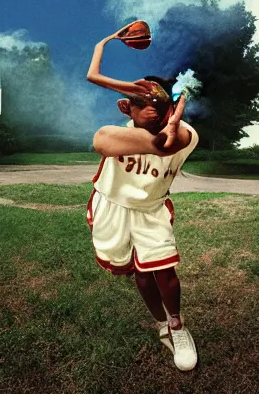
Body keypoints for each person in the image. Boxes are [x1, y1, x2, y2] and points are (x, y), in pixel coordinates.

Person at [86, 22, 199, 371]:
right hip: (113, 207)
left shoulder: (188, 135)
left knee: (164, 272)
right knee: (140, 273)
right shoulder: (111, 134)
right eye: (140, 103)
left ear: (169, 108)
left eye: (157, 104)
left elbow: (173, 142)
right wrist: (160, 134)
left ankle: (177, 324)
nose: (149, 109)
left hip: (150, 210)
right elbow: (148, 144)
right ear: (128, 109)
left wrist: (171, 122)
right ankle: (161, 324)